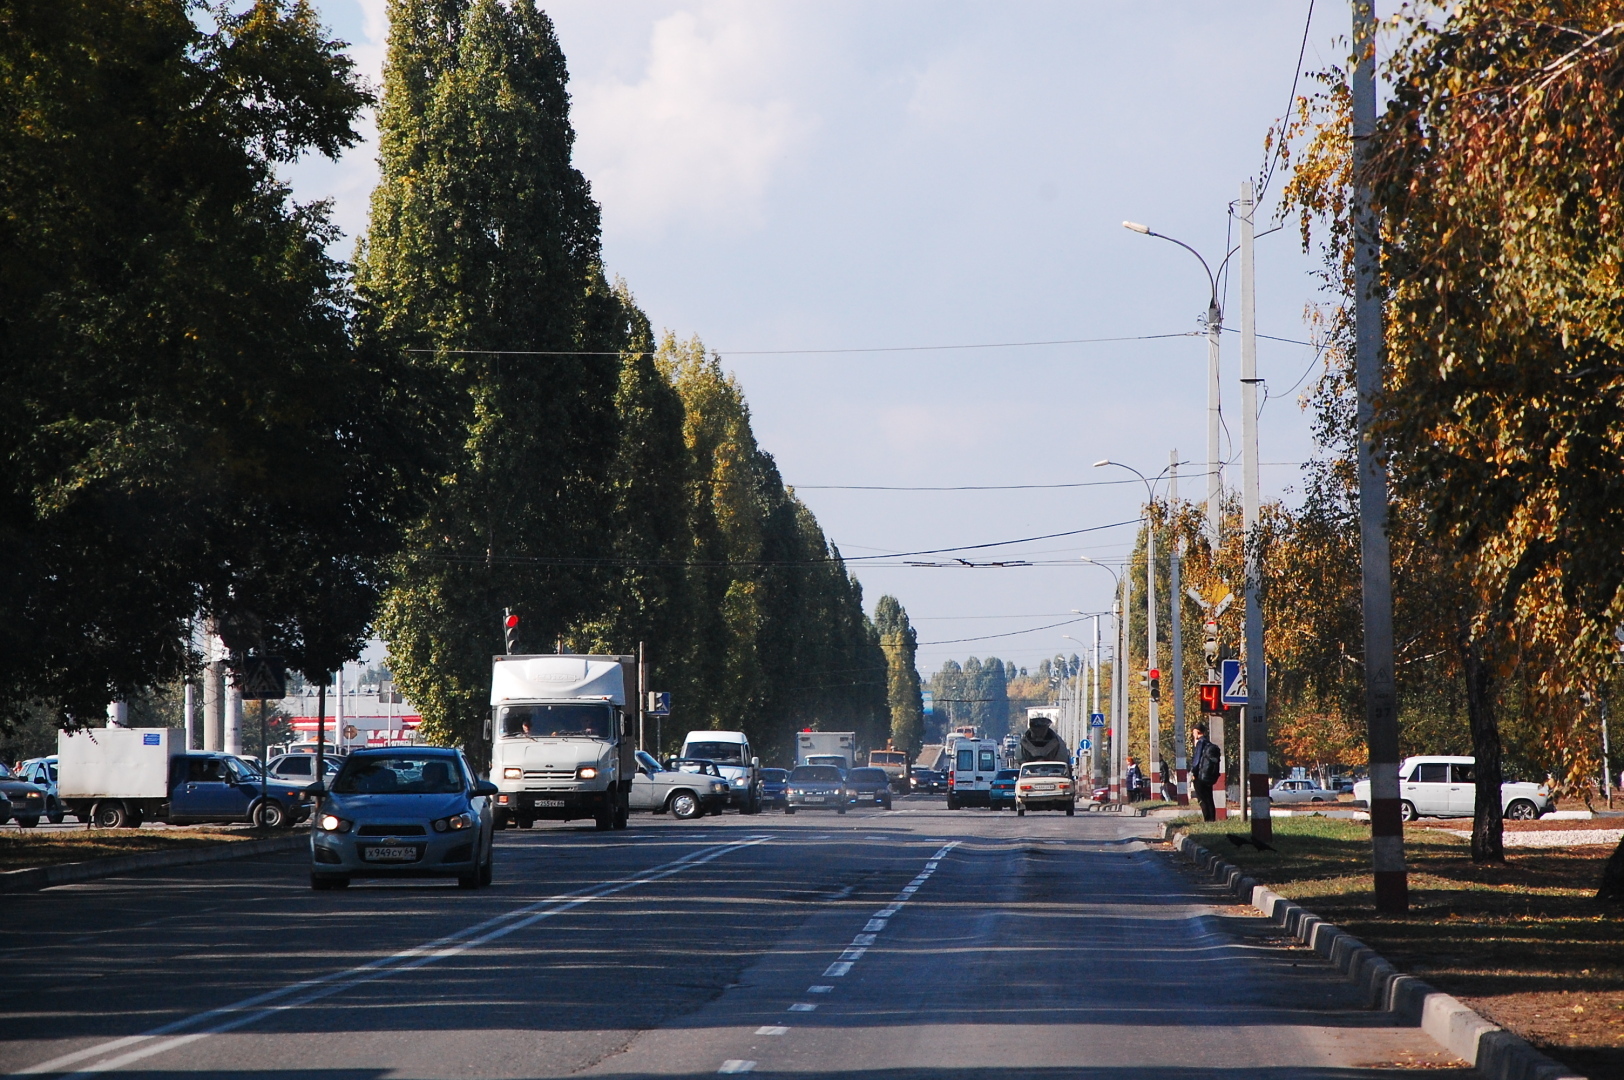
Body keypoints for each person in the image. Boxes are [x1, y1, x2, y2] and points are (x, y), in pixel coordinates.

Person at [1190, 722, 1220, 821]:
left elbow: (1197, 759)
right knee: (1209, 798)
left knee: (1202, 799)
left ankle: (1207, 820)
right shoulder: (1208, 743)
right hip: (1208, 775)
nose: (1193, 734)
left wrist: (1194, 772)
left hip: (1200, 776)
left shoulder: (1200, 743)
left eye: (1193, 732)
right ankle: (1212, 819)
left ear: (1198, 732)